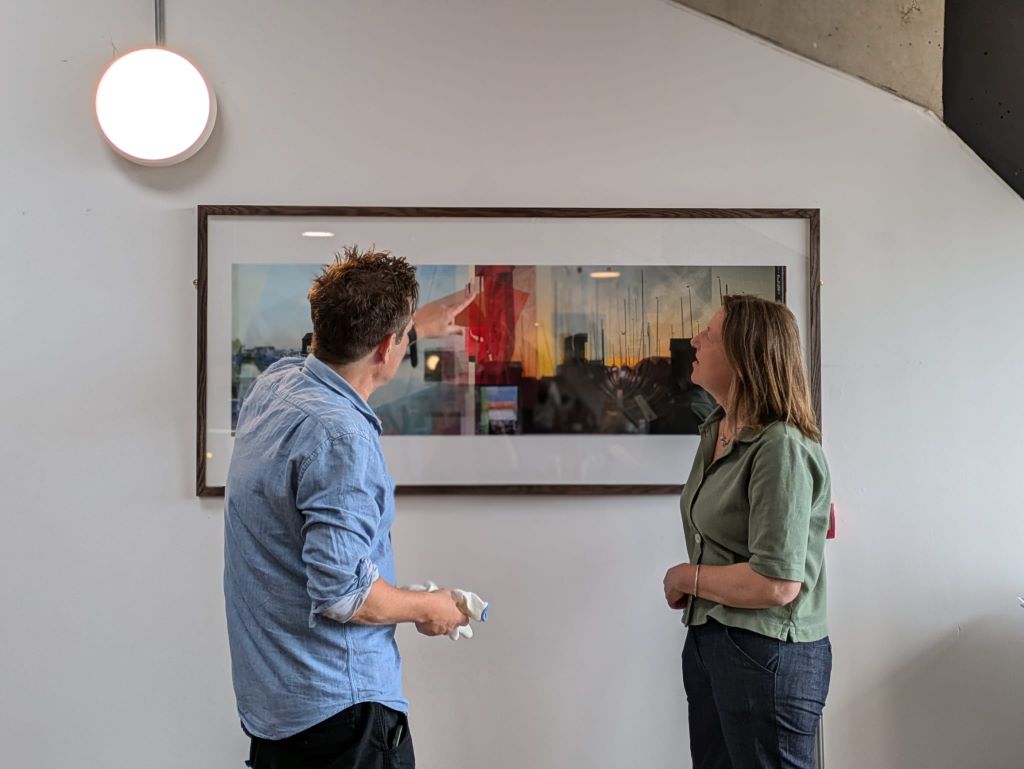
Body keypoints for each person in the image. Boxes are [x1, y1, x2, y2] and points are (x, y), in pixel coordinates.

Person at [224, 245, 470, 769]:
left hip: (277, 710)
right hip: (341, 716)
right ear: (388, 347)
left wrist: (411, 327)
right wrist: (432, 607)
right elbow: (344, 594)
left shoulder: (276, 386)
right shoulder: (341, 437)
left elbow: (344, 359)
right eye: (403, 338)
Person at [662, 294, 832, 769]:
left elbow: (776, 583)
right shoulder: (717, 430)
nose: (694, 340)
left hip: (767, 654)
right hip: (712, 641)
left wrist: (684, 577)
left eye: (709, 335)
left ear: (742, 355)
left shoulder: (781, 446)